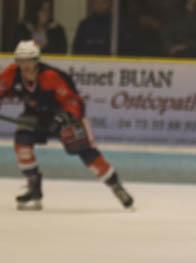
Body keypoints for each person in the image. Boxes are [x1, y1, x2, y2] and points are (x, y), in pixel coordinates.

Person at [0, 41, 134, 210]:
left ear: (37, 60)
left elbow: (73, 102)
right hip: (34, 116)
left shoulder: (51, 76)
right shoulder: (12, 73)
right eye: (21, 60)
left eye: (29, 60)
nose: (25, 65)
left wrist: (62, 119)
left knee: (84, 151)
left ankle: (116, 185)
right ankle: (34, 187)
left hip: (63, 116)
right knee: (22, 143)